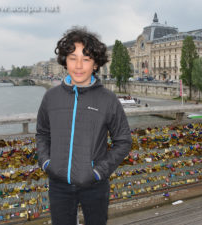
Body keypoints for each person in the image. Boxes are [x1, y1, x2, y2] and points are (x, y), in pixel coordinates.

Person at [36, 27, 132, 225]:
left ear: (95, 64)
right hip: (58, 184)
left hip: (95, 184)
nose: (79, 66)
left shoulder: (108, 99)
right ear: (65, 61)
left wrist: (98, 171)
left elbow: (123, 141)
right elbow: (42, 134)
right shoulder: (51, 98)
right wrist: (47, 163)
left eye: (86, 59)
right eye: (73, 58)